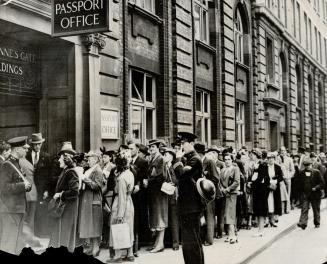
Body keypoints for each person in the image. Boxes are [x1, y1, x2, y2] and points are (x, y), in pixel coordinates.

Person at [175, 132, 204, 264]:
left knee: (191, 242)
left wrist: (177, 160)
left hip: (191, 206)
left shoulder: (195, 159)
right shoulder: (188, 158)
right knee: (188, 242)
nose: (181, 147)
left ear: (191, 144)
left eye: (183, 144)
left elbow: (181, 175)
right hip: (187, 206)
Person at [0, 136, 32, 255]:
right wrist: (22, 185)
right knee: (9, 242)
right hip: (10, 210)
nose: (27, 150)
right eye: (25, 148)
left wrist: (25, 186)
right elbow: (4, 188)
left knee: (17, 243)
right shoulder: (7, 165)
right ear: (17, 149)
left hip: (17, 209)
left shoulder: (16, 164)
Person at [48, 142, 79, 252]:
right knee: (61, 234)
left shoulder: (71, 172)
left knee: (64, 234)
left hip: (67, 209)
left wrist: (60, 194)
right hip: (64, 208)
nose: (59, 160)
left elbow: (75, 191)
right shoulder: (66, 171)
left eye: (60, 158)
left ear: (66, 159)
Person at [107, 151, 135, 263]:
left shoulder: (122, 178)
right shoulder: (130, 174)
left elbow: (122, 196)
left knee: (117, 227)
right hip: (129, 203)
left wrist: (120, 214)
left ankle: (117, 256)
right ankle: (130, 253)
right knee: (128, 228)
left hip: (120, 203)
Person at [25, 133, 51, 238]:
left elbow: (50, 175)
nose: (37, 146)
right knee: (29, 210)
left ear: (41, 144)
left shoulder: (46, 157)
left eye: (39, 144)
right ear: (31, 145)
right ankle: (30, 233)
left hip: (41, 189)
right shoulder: (26, 156)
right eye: (35, 144)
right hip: (29, 188)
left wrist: (47, 190)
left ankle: (40, 232)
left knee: (40, 210)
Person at [78, 151, 103, 257]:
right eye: (87, 158)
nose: (88, 160)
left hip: (94, 201)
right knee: (90, 226)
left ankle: (96, 248)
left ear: (96, 159)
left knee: (95, 226)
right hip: (88, 200)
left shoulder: (98, 170)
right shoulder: (90, 169)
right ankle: (92, 247)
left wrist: (85, 179)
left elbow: (97, 186)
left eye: (90, 158)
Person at [194, 143, 219, 246]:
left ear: (199, 153)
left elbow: (216, 178)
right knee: (200, 216)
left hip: (208, 194)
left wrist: (206, 180)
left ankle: (209, 239)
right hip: (198, 192)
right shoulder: (197, 162)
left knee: (209, 216)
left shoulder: (209, 162)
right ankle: (200, 238)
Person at [146, 139, 168, 253]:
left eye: (153, 147)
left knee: (160, 217)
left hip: (159, 193)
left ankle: (160, 244)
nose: (150, 149)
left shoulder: (160, 159)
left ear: (158, 147)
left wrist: (148, 181)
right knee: (156, 217)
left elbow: (161, 176)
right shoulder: (153, 158)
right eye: (149, 147)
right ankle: (157, 243)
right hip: (154, 192)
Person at [128, 140, 148, 257]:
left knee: (137, 218)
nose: (130, 151)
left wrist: (138, 185)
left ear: (137, 149)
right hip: (129, 192)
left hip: (138, 194)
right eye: (129, 149)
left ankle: (137, 244)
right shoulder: (127, 160)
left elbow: (144, 177)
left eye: (132, 149)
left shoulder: (143, 161)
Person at [297, 158, 325, 229]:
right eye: (306, 165)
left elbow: (322, 183)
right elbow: (299, 184)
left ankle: (317, 222)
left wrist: (316, 188)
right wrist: (300, 193)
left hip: (315, 195)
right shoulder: (302, 173)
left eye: (309, 165)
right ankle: (303, 223)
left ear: (311, 165)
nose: (307, 167)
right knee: (304, 208)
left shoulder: (316, 172)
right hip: (305, 194)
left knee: (316, 209)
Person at [220, 153, 240, 244]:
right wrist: (222, 189)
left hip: (232, 194)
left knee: (230, 214)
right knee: (226, 214)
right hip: (224, 194)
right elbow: (220, 182)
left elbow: (237, 182)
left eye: (228, 159)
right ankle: (229, 235)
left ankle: (233, 236)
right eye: (225, 159)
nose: (227, 161)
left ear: (232, 160)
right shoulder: (223, 170)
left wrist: (228, 189)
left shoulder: (235, 169)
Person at [162, 147, 180, 251]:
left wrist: (174, 182)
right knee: (166, 218)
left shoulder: (175, 167)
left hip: (173, 195)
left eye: (166, 155)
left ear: (171, 157)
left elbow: (179, 180)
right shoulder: (163, 167)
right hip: (164, 194)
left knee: (174, 220)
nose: (164, 157)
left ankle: (175, 243)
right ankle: (167, 242)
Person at [278, 146, 295, 214]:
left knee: (288, 193)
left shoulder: (289, 159)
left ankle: (287, 209)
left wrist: (289, 176)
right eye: (281, 151)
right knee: (281, 193)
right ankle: (281, 209)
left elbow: (293, 170)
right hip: (280, 178)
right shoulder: (277, 159)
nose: (283, 152)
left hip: (287, 178)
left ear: (286, 151)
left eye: (284, 151)